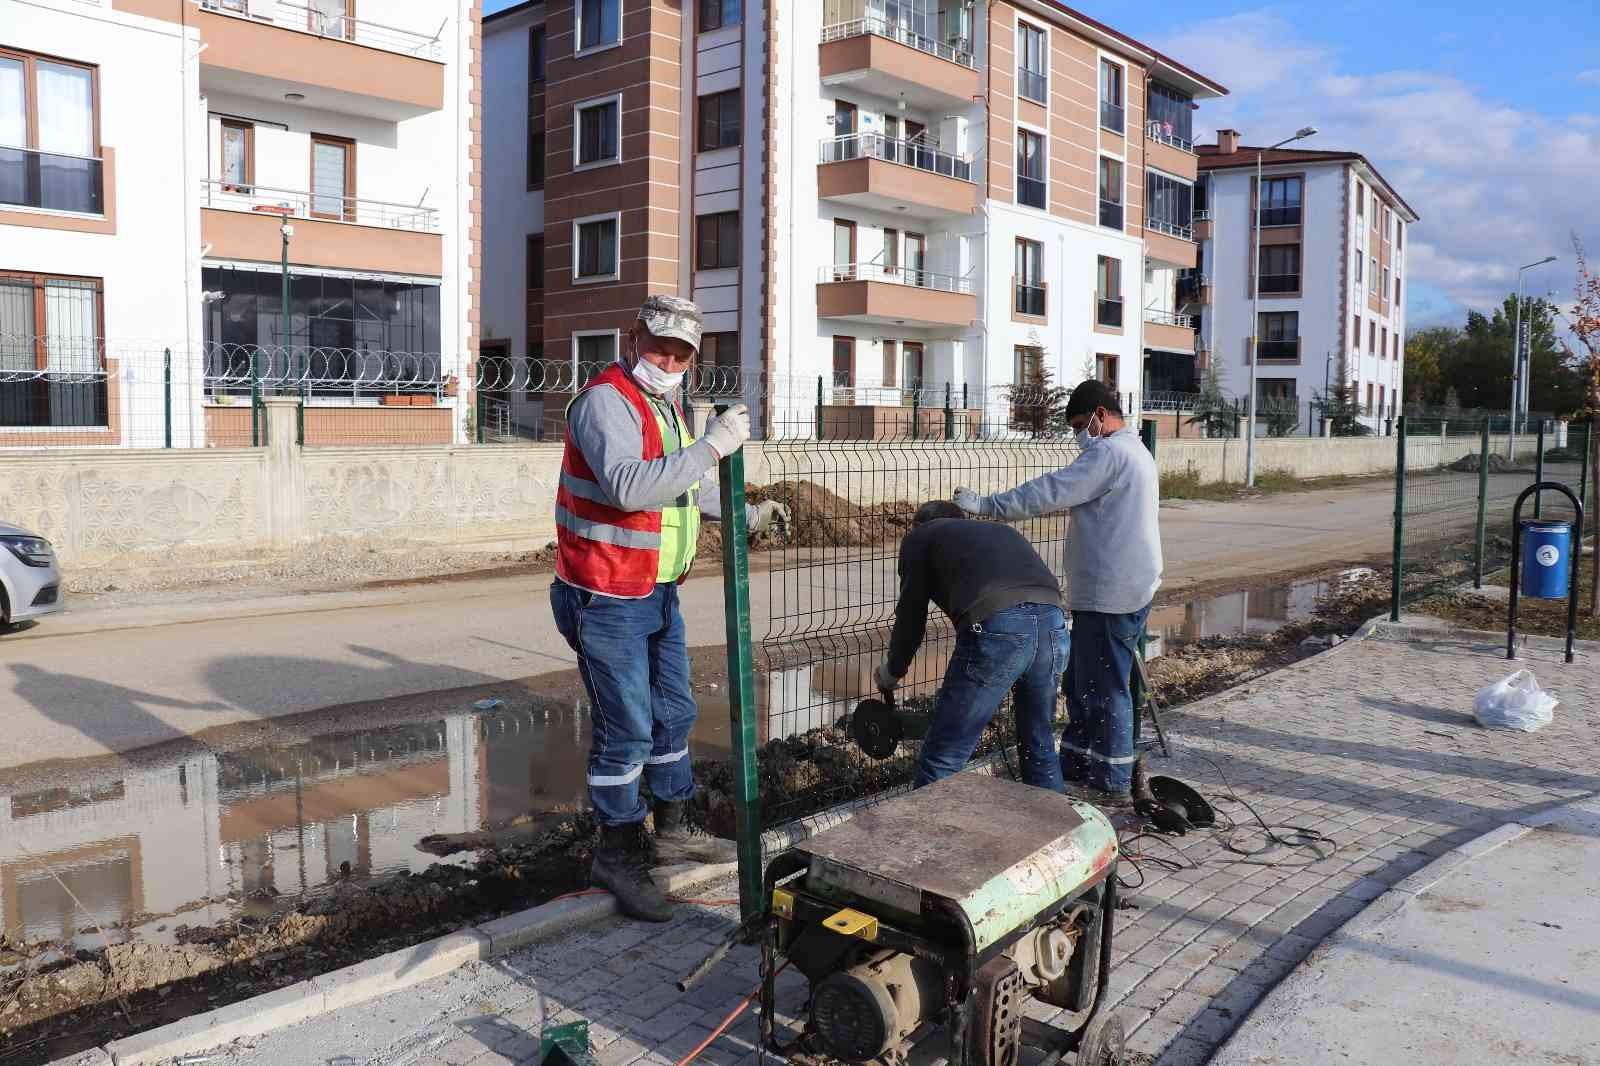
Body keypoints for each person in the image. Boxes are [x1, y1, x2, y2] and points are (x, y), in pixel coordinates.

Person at [549, 294, 789, 922]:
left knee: (673, 712)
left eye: (682, 352)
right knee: (625, 726)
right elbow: (631, 487)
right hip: (605, 592)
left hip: (656, 589)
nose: (670, 359)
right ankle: (619, 852)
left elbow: (686, 483)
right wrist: (712, 446)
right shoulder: (606, 401)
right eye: (660, 346)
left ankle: (673, 827)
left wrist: (743, 510)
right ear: (634, 339)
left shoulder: (667, 402)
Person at [952, 380, 1161, 805]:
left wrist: (990, 506)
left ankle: (1114, 779)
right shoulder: (1136, 452)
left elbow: (1051, 491)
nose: (1080, 435)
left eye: (1082, 424)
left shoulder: (1110, 453)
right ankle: (1082, 762)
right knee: (1087, 681)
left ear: (1102, 416)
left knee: (1106, 687)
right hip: (1123, 587)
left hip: (1111, 592)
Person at [873, 501, 1068, 792]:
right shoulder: (998, 531)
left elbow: (911, 617)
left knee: (944, 757)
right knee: (1038, 745)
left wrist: (893, 672)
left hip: (1000, 629)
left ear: (918, 525)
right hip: (1054, 623)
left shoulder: (920, 537)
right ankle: (1059, 832)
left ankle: (926, 836)